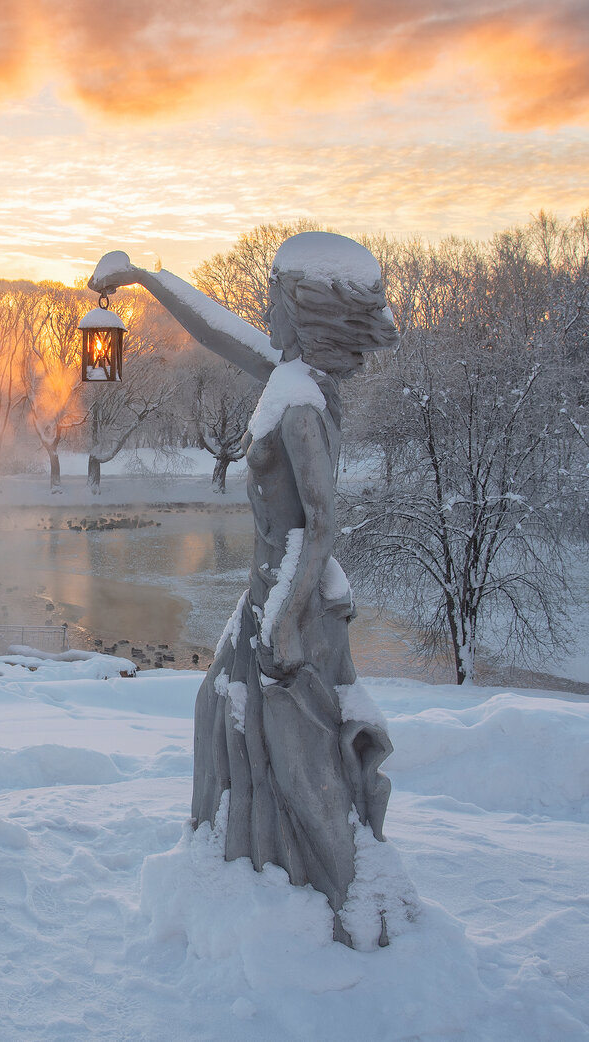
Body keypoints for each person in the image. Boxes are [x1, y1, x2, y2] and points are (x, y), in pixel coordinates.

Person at [89, 232, 398, 945]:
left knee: (299, 762)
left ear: (300, 309)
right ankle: (246, 862)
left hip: (291, 599)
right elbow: (218, 328)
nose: (262, 305)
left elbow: (320, 524)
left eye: (273, 294)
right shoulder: (291, 374)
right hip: (268, 592)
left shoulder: (298, 403)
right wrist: (144, 279)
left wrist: (286, 619)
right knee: (221, 716)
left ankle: (352, 903)